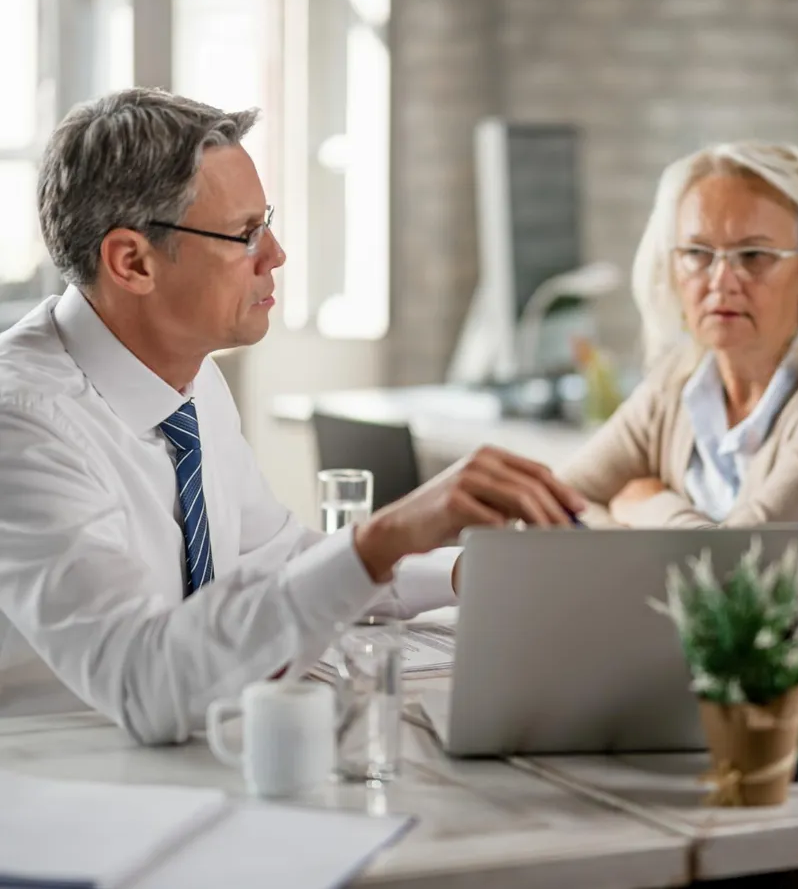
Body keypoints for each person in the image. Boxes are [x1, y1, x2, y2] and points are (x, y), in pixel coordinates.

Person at [0, 89, 584, 743]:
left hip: (181, 770)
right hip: (61, 788)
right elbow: (146, 684)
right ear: (132, 262)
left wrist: (459, 570)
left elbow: (277, 563)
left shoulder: (191, 383)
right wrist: (385, 535)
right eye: (245, 233)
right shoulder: (22, 425)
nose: (275, 254)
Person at [559, 142, 798, 527]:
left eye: (754, 255)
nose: (721, 282)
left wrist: (649, 505)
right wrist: (631, 534)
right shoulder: (675, 385)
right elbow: (551, 506)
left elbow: (740, 569)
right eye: (697, 253)